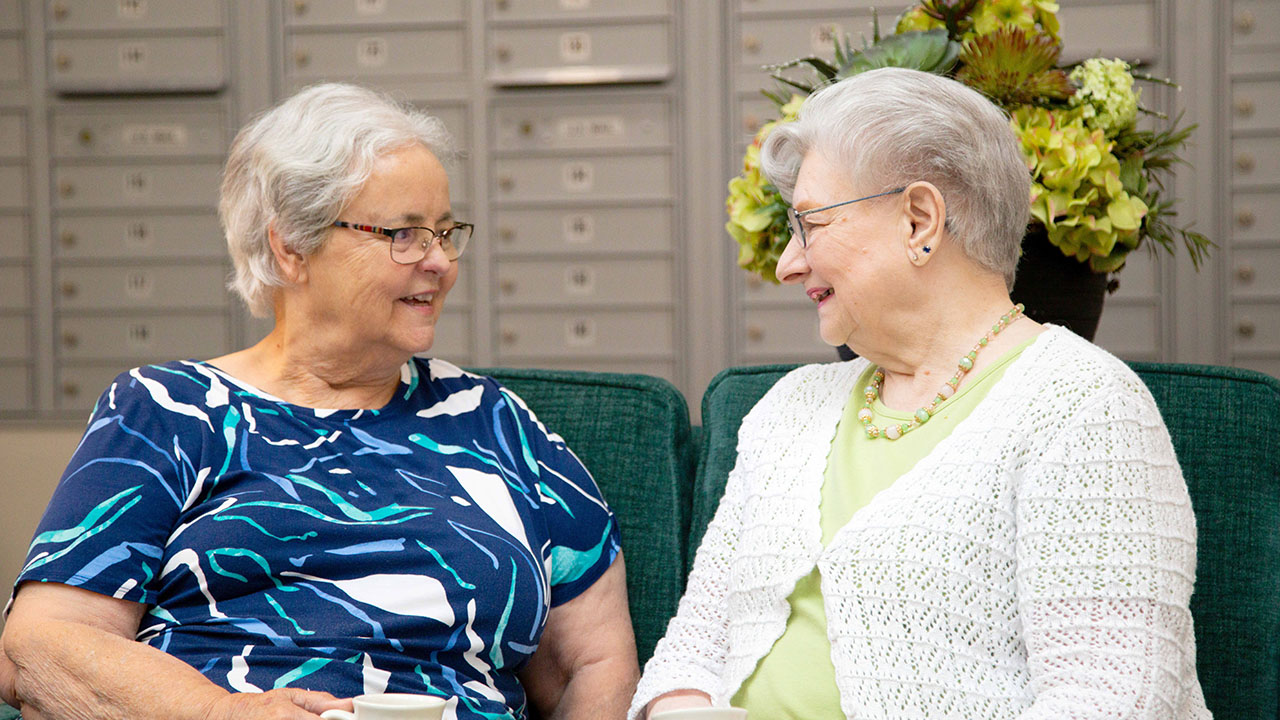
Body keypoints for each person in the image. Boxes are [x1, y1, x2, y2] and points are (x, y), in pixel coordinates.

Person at [0, 83, 638, 720]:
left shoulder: (498, 424)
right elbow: (40, 644)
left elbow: (592, 664)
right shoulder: (168, 412)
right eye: (405, 234)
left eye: (445, 232)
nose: (440, 261)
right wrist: (220, 714)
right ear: (292, 247)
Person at [632, 67, 1211, 719]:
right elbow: (687, 656)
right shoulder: (787, 409)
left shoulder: (1083, 405)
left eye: (810, 225)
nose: (786, 264)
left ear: (918, 219)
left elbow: (1112, 701)